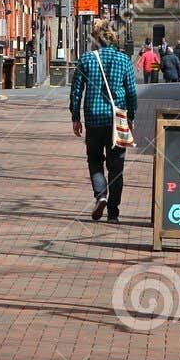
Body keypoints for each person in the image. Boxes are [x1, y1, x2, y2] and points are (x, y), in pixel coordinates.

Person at [70, 18, 138, 222]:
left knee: (95, 160)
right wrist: (131, 117)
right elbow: (132, 93)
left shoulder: (86, 59)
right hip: (117, 119)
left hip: (93, 118)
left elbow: (76, 91)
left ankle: (101, 196)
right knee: (116, 165)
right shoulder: (124, 60)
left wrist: (75, 117)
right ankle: (114, 214)